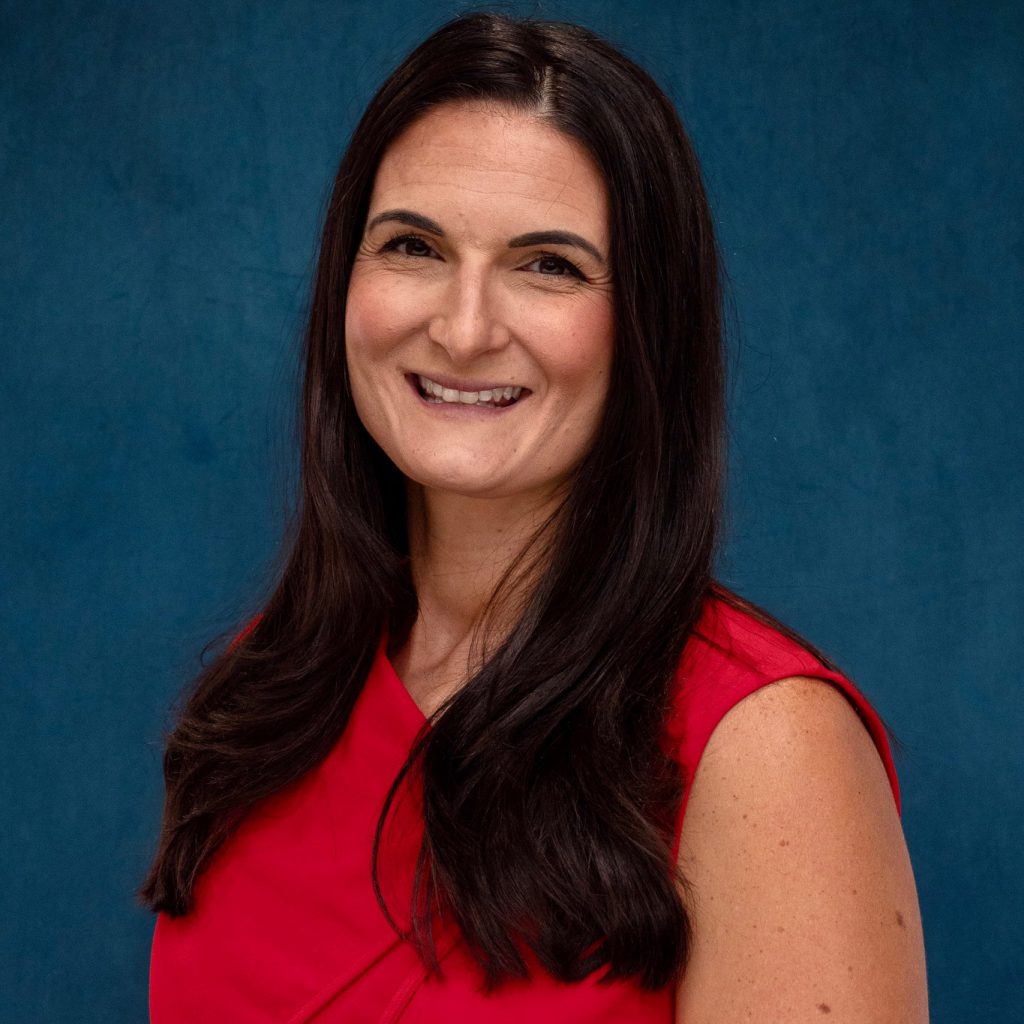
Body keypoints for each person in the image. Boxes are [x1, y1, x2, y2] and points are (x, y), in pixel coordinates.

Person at [140, 11, 929, 1022]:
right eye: (413, 246)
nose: (463, 329)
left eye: (547, 264)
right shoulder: (260, 698)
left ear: (645, 323)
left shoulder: (766, 749)